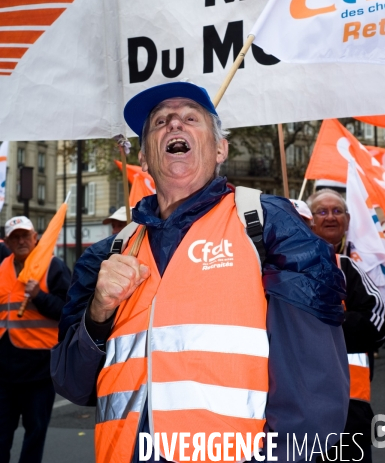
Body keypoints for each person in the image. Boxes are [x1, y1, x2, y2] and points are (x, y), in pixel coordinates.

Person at [52, 82, 349, 463]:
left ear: (220, 148)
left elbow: (315, 391)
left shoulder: (267, 225)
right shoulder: (106, 256)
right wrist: (97, 314)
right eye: (160, 121)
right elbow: (72, 384)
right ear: (143, 157)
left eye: (191, 118)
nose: (174, 123)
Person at [308, 189, 385, 463]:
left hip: (350, 404)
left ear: (348, 219)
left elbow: (376, 324)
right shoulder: (282, 270)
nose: (330, 217)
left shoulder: (349, 268)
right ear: (309, 220)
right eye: (322, 211)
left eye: (337, 211)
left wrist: (322, 325)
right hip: (297, 401)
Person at [0, 216, 71, 463]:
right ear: (7, 242)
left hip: (39, 371)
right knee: (0, 437)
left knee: (35, 434)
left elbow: (69, 311)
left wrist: (39, 296)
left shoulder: (53, 267)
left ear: (35, 238)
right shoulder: (1, 269)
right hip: (4, 372)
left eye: (24, 236)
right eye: (14, 237)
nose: (20, 241)